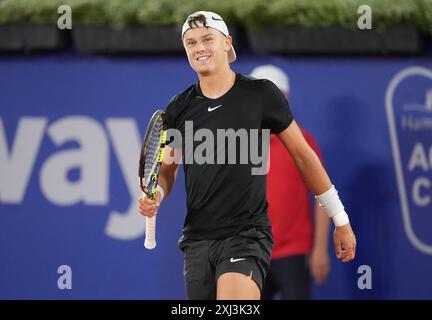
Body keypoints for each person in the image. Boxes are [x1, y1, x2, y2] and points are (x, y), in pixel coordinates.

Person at [138, 11, 356, 300]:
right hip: (197, 241)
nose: (199, 48)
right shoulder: (179, 106)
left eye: (207, 39)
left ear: (227, 43)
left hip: (246, 236)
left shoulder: (261, 94)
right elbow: (168, 168)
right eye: (190, 43)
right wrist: (158, 195)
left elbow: (304, 157)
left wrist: (340, 218)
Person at [250, 65, 330, 300]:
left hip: (293, 253)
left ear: (285, 98)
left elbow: (323, 196)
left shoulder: (303, 142)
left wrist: (319, 249)